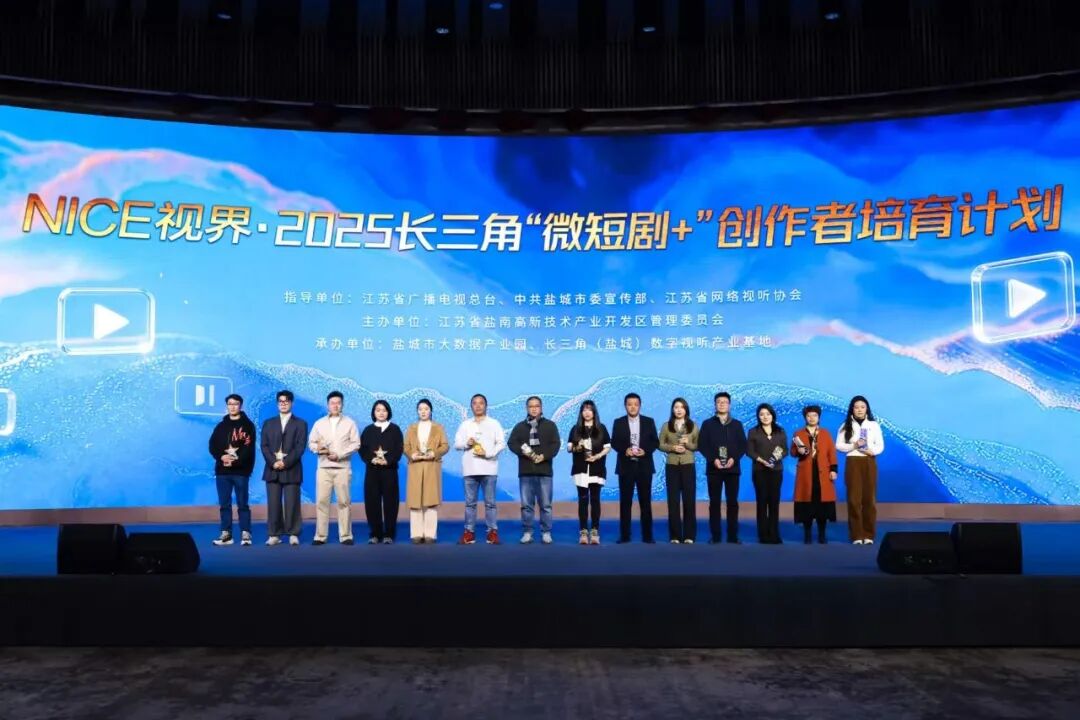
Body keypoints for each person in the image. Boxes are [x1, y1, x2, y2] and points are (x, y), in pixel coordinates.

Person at [307, 390, 361, 546]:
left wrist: (340, 455)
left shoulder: (350, 423)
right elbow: (311, 442)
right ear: (328, 405)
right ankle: (320, 536)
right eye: (332, 403)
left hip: (342, 468)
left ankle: (346, 535)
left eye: (338, 403)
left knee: (344, 502)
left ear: (342, 405)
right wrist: (318, 449)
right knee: (321, 502)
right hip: (324, 468)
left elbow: (356, 444)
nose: (335, 405)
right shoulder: (319, 423)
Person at [453, 393, 506, 545]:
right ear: (471, 406)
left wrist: (488, 453)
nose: (478, 406)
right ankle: (469, 532)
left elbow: (501, 443)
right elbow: (456, 444)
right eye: (474, 403)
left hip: (489, 469)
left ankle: (492, 532)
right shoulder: (465, 425)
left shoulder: (494, 424)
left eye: (481, 403)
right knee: (470, 504)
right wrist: (466, 443)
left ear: (486, 406)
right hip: (470, 469)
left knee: (490, 504)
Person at [508, 396, 561, 545]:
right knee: (526, 506)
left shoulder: (550, 426)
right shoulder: (520, 427)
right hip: (526, 472)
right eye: (531, 406)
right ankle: (527, 532)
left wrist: (544, 456)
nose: (534, 409)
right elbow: (511, 443)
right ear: (527, 408)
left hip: (545, 471)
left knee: (546, 505)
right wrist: (523, 452)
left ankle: (546, 532)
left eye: (536, 406)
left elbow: (555, 445)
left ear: (541, 408)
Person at [697, 392, 748, 544]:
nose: (722, 404)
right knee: (714, 503)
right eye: (719, 402)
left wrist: (734, 458)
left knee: (732, 503)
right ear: (715, 405)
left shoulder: (737, 424)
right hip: (714, 469)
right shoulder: (707, 424)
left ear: (729, 405)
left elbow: (743, 445)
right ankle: (716, 536)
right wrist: (713, 460)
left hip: (733, 469)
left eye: (725, 402)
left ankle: (733, 536)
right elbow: (702, 445)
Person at [260, 390, 308, 546]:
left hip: (292, 469)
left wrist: (285, 462)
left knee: (292, 503)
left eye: (286, 401)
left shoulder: (301, 423)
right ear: (277, 403)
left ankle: (293, 533)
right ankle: (274, 534)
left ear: (291, 403)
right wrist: (273, 462)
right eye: (280, 401)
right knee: (273, 504)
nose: (283, 404)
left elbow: (300, 447)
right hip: (272, 469)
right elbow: (264, 446)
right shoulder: (268, 423)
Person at [610, 392, 659, 544]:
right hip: (625, 467)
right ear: (625, 406)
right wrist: (625, 450)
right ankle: (625, 536)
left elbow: (655, 442)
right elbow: (614, 442)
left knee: (645, 502)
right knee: (625, 503)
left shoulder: (649, 421)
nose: (632, 407)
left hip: (644, 466)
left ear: (640, 406)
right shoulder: (618, 422)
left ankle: (648, 536)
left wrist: (646, 451)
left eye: (635, 404)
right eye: (629, 404)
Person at [836, 395, 885, 545]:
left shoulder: (873, 425)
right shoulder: (846, 425)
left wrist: (872, 451)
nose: (859, 410)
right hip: (853, 462)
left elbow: (880, 445)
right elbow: (838, 445)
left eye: (862, 407)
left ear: (867, 409)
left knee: (869, 499)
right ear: (852, 409)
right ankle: (856, 535)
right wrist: (854, 446)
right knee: (854, 499)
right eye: (856, 407)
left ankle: (868, 534)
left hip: (869, 461)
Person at [208, 393, 257, 546]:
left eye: (235, 404)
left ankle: (246, 533)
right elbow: (212, 445)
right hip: (222, 472)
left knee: (243, 504)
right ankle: (226, 534)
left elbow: (248, 449)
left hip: (241, 471)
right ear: (227, 406)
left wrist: (234, 462)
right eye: (230, 404)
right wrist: (221, 457)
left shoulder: (248, 426)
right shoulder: (220, 426)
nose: (232, 407)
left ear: (240, 406)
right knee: (224, 504)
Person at [403, 398, 450, 543]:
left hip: (431, 466)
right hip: (416, 466)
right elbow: (405, 446)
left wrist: (434, 453)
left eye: (426, 409)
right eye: (420, 409)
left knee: (431, 500)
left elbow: (445, 446)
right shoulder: (411, 428)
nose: (423, 412)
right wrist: (411, 454)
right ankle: (416, 533)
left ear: (431, 411)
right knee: (415, 500)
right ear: (417, 411)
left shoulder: (438, 427)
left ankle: (430, 534)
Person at [790, 405, 838, 544]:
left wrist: (833, 469)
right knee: (807, 506)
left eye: (815, 415)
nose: (812, 418)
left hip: (823, 473)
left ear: (819, 417)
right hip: (806, 473)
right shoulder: (798, 433)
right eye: (809, 416)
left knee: (822, 506)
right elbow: (792, 452)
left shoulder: (825, 433)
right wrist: (798, 451)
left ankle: (822, 534)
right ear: (805, 417)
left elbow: (831, 453)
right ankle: (807, 535)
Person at [360, 400, 405, 544]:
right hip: (372, 471)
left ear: (388, 412)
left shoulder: (395, 429)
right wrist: (371, 459)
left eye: (384, 410)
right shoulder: (368, 430)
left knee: (391, 502)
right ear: (374, 412)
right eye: (378, 410)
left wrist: (388, 460)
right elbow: (363, 449)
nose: (381, 413)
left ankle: (389, 534)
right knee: (372, 502)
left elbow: (399, 448)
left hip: (389, 471)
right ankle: (375, 533)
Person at [567, 400, 611, 545]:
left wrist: (597, 456)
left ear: (594, 412)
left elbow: (607, 447)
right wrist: (578, 447)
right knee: (583, 500)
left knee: (595, 499)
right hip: (580, 469)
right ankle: (583, 531)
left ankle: (595, 530)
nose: (587, 412)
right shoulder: (575, 429)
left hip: (597, 468)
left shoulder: (601, 428)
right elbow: (569, 448)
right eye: (584, 410)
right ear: (581, 412)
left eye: (589, 410)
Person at [659, 397, 699, 544]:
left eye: (682, 407)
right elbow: (660, 444)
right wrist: (672, 448)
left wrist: (688, 444)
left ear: (686, 409)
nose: (679, 410)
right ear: (672, 409)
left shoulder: (693, 426)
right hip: (672, 466)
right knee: (673, 501)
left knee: (689, 500)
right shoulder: (666, 426)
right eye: (676, 407)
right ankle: (675, 535)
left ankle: (689, 535)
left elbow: (697, 446)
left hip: (688, 465)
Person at [746, 402, 787, 544]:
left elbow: (784, 450)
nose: (765, 417)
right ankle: (763, 535)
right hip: (760, 471)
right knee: (762, 502)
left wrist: (776, 459)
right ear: (758, 416)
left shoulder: (780, 431)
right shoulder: (753, 431)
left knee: (774, 503)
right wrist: (762, 461)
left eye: (768, 414)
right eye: (762, 414)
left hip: (776, 471)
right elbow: (749, 451)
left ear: (772, 415)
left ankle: (774, 534)